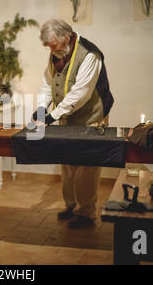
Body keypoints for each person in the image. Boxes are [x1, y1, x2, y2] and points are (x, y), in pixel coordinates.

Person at [32, 19, 114, 228]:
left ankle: (86, 213)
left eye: (53, 45)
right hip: (67, 117)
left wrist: (51, 116)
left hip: (92, 118)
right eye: (48, 46)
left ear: (67, 38)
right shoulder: (57, 53)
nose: (51, 50)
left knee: (87, 166)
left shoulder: (89, 54)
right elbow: (47, 83)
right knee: (68, 163)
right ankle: (72, 205)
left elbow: (81, 94)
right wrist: (42, 107)